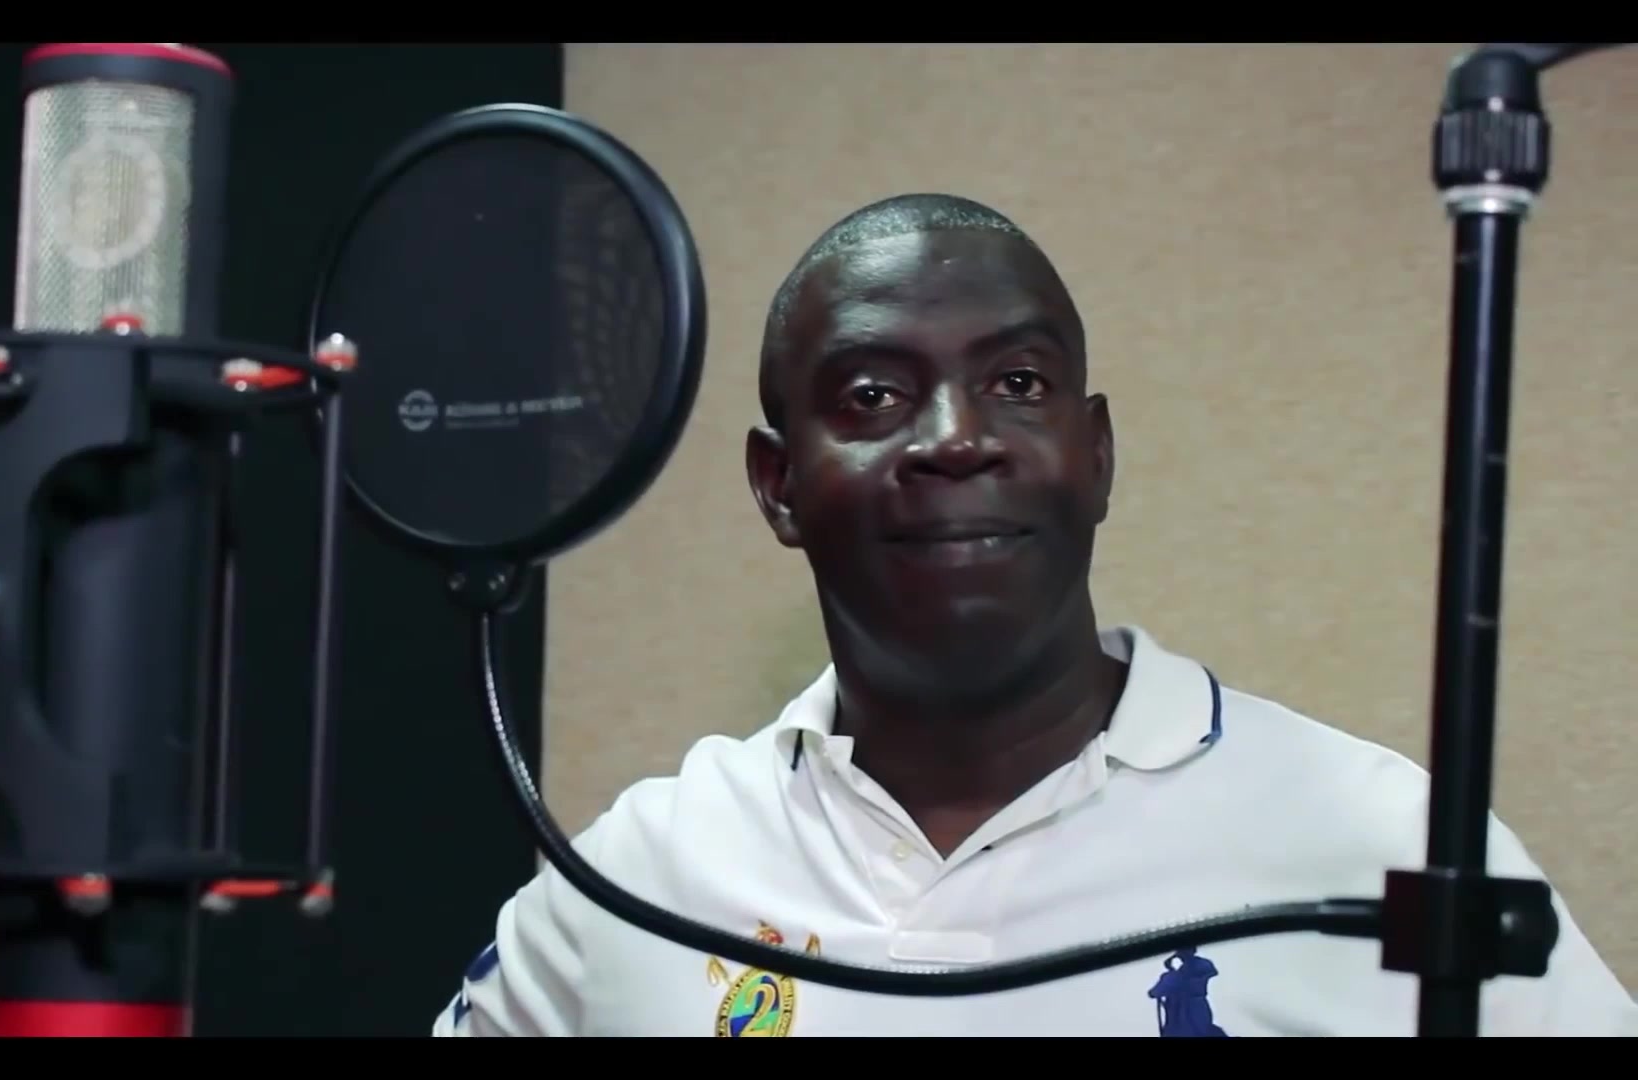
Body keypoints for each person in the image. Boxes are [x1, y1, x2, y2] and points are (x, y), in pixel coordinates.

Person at [431, 193, 1638, 1037]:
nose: (957, 439)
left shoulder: (1386, 849)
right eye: (873, 395)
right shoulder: (639, 875)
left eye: (1017, 383)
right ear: (778, 484)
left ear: (1097, 454)